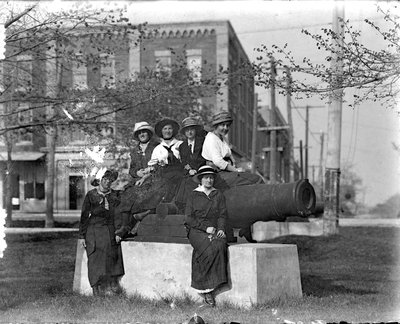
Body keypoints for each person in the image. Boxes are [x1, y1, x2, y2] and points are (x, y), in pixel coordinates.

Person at [184, 165, 228, 307]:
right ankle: (204, 289)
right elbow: (188, 219)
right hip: (196, 229)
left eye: (211, 178)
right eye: (206, 178)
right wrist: (205, 228)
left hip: (214, 229)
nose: (209, 180)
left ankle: (213, 285)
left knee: (220, 244)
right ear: (200, 179)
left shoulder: (218, 194)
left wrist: (221, 229)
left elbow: (222, 215)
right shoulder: (193, 195)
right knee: (207, 249)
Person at [79, 169, 124, 296]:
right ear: (99, 180)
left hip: (109, 229)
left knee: (112, 255)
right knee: (94, 258)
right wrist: (82, 236)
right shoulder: (91, 195)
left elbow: (118, 215)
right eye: (105, 179)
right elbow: (84, 216)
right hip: (93, 230)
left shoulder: (115, 196)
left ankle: (112, 284)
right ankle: (95, 288)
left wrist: (118, 232)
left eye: (110, 180)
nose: (107, 182)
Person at [201, 111, 263, 190]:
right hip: (217, 174)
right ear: (216, 126)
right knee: (256, 179)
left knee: (250, 177)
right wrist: (235, 170)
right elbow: (218, 161)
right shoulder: (211, 139)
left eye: (227, 125)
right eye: (222, 125)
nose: (226, 128)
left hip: (226, 172)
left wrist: (238, 167)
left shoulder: (223, 139)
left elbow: (231, 158)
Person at [149, 117, 184, 203]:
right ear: (161, 131)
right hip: (164, 173)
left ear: (173, 130)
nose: (167, 131)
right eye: (165, 129)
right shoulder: (158, 148)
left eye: (170, 128)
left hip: (179, 172)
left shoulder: (181, 144)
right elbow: (152, 165)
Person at [175, 116, 207, 210]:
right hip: (189, 173)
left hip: (202, 170)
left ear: (195, 130)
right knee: (183, 182)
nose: (189, 132)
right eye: (187, 130)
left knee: (190, 182)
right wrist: (189, 170)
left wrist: (196, 169)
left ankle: (194, 207)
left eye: (192, 129)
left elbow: (204, 158)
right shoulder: (182, 146)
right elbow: (184, 162)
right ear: (184, 132)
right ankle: (185, 207)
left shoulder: (202, 142)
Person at [129, 121, 159, 187]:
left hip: (155, 181)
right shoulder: (134, 151)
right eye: (139, 133)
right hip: (138, 182)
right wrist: (137, 173)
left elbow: (161, 165)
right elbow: (131, 170)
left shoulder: (158, 147)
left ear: (148, 133)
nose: (142, 135)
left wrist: (147, 175)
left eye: (144, 132)